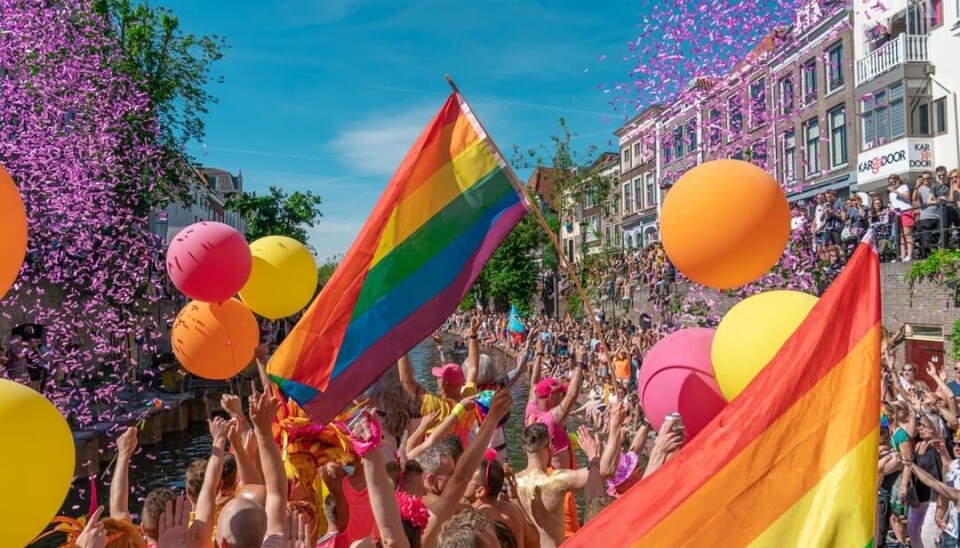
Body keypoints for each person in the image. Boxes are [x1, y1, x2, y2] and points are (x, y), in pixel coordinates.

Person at [515, 417, 621, 547]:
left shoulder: (512, 483)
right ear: (550, 446)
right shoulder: (557, 481)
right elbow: (606, 470)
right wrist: (594, 456)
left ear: (524, 449)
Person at [889, 174, 915, 261]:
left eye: (894, 181)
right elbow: (892, 203)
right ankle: (902, 256)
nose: (893, 183)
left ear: (898, 180)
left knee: (908, 234)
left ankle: (910, 255)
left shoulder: (904, 187)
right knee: (901, 236)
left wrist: (895, 191)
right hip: (897, 214)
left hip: (906, 211)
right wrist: (891, 207)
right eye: (891, 182)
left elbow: (907, 196)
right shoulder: (891, 194)